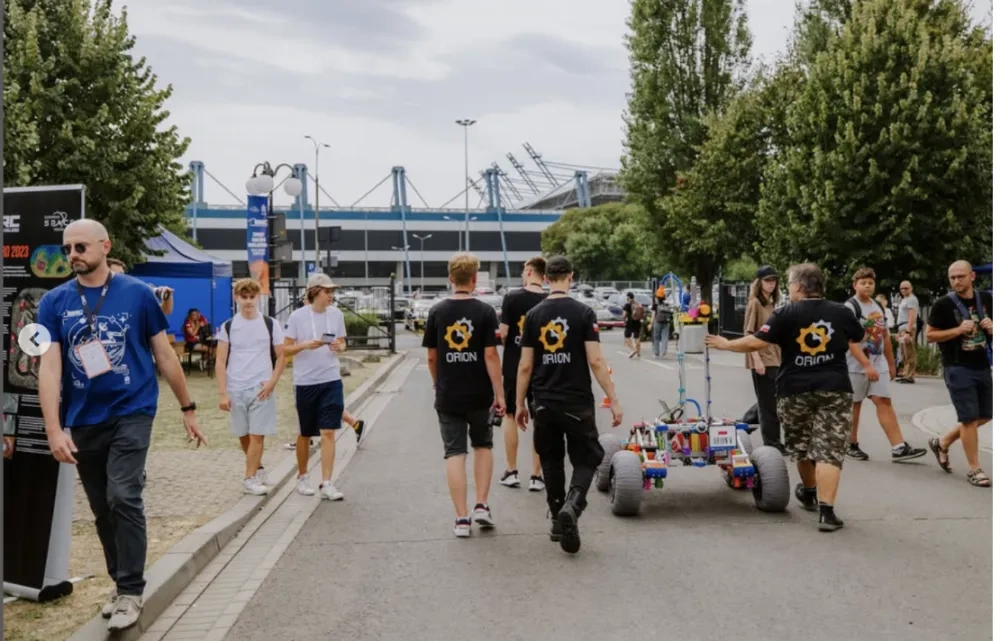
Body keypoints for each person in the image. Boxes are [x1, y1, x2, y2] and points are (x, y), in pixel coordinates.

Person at [38, 219, 207, 632]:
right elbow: (50, 366)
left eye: (80, 246)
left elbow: (164, 355)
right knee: (102, 508)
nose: (73, 254)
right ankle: (120, 583)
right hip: (83, 418)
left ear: (104, 245)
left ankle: (131, 590)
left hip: (133, 409)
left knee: (123, 495)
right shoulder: (54, 302)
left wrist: (187, 407)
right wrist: (54, 429)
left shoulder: (138, 294)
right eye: (67, 249)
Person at [705, 263, 866, 532]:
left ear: (800, 287)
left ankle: (811, 491)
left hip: (794, 389)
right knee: (830, 452)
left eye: (791, 284)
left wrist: (726, 344)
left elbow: (756, 341)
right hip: (834, 388)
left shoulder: (785, 313)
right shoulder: (841, 312)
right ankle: (826, 513)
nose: (788, 288)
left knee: (801, 447)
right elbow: (857, 335)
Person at [515, 255, 622, 554]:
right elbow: (596, 361)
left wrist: (520, 404)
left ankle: (556, 517)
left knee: (549, 460)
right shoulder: (584, 313)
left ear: (547, 278)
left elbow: (525, 366)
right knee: (587, 458)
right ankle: (574, 505)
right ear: (571, 277)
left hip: (544, 402)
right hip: (577, 402)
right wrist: (613, 399)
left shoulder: (533, 315)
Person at [422, 252, 505, 537]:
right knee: (483, 445)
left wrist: (437, 383)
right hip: (480, 393)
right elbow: (491, 355)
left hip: (448, 394)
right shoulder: (484, 312)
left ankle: (460, 519)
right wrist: (500, 393)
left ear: (450, 279)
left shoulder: (437, 312)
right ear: (474, 279)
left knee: (454, 453)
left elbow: (432, 356)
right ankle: (481, 504)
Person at [842, 268, 926, 462]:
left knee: (884, 400)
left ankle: (899, 447)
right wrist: (866, 365)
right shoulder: (850, 307)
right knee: (855, 405)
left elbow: (885, 335)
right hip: (855, 364)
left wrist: (890, 363)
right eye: (863, 282)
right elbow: (850, 341)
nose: (867, 286)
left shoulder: (877, 307)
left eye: (870, 283)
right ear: (855, 285)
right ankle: (851, 444)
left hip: (877, 360)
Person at [215, 278, 287, 495]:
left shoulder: (270, 324)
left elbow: (282, 354)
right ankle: (257, 467)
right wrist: (222, 392)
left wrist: (273, 381)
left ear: (258, 298)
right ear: (236, 298)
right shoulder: (228, 326)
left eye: (252, 297)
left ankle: (249, 478)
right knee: (243, 434)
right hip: (236, 386)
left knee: (258, 434)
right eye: (243, 297)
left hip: (261, 386)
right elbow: (220, 360)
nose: (248, 301)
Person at [926, 260, 993, 487]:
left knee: (985, 415)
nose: (956, 281)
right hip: (956, 366)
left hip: (982, 364)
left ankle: (942, 441)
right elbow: (930, 336)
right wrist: (957, 330)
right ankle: (975, 469)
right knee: (969, 418)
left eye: (960, 276)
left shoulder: (987, 299)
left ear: (972, 276)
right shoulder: (943, 304)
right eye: (952, 277)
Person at [282, 273, 349, 501]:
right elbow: (284, 349)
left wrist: (339, 347)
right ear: (313, 292)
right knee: (305, 433)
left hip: (331, 379)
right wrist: (304, 345)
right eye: (326, 291)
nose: (331, 295)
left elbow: (343, 342)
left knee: (329, 431)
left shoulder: (336, 314)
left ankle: (327, 482)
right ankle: (302, 476)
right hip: (305, 381)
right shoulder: (297, 316)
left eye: (332, 291)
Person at [497, 256, 547, 492]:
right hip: (542, 367)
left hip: (514, 364)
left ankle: (511, 470)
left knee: (509, 415)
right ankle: (537, 475)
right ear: (544, 276)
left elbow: (504, 332)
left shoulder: (512, 298)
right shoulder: (549, 300)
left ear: (528, 271)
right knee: (540, 419)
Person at [743, 265, 784, 452]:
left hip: (775, 357)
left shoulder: (770, 304)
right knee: (769, 405)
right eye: (767, 281)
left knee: (771, 399)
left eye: (774, 280)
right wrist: (756, 360)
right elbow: (748, 332)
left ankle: (742, 426)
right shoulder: (756, 303)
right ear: (759, 283)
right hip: (762, 358)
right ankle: (772, 443)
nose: (771, 284)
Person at [107, 258, 174, 315]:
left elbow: (164, 312)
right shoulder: (98, 296)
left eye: (123, 275)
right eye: (117, 274)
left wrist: (167, 297)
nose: (122, 278)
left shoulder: (132, 297)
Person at [895, 281, 920, 384]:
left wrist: (908, 332)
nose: (904, 290)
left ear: (911, 288)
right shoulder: (904, 299)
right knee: (904, 353)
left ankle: (910, 375)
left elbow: (912, 315)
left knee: (909, 352)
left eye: (906, 288)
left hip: (907, 327)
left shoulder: (912, 299)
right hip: (902, 327)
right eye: (902, 288)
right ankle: (905, 373)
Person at [622, 292, 643, 358]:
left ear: (628, 297)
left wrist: (624, 321)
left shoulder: (627, 305)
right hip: (637, 322)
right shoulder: (637, 304)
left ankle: (633, 350)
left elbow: (624, 315)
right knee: (637, 338)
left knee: (627, 338)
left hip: (629, 323)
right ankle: (638, 353)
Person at [651, 292, 672, 359]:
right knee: (665, 338)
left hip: (657, 322)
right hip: (666, 323)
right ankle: (663, 353)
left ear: (657, 298)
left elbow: (653, 315)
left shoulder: (655, 305)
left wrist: (651, 323)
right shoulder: (667, 304)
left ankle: (656, 353)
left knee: (656, 337)